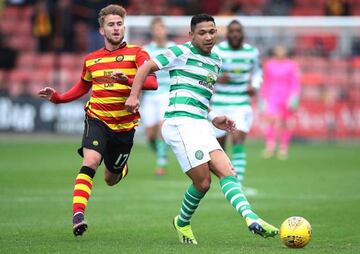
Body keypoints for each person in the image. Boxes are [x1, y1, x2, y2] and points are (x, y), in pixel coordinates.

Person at [125, 13, 278, 245]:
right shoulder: (181, 52)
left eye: (212, 32)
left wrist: (214, 117)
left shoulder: (216, 60)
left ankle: (251, 218)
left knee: (228, 171)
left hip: (200, 124)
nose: (208, 37)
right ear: (191, 35)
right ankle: (182, 222)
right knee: (203, 183)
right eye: (202, 33)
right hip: (179, 124)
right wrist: (134, 95)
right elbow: (146, 66)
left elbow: (201, 99)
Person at [38, 4, 158, 236]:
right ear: (102, 30)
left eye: (119, 24)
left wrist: (127, 80)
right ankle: (78, 216)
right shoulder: (92, 59)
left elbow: (153, 83)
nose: (116, 28)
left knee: (111, 178)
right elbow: (83, 86)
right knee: (90, 161)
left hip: (124, 127)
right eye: (111, 25)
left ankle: (119, 169)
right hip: (98, 119)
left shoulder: (138, 53)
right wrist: (59, 98)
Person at [211, 20, 262, 186]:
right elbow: (207, 72)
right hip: (219, 103)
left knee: (238, 138)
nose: (234, 34)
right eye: (231, 31)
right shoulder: (218, 51)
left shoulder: (252, 52)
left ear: (242, 34)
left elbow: (257, 72)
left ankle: (237, 181)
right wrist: (217, 78)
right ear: (227, 34)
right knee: (220, 146)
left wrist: (254, 86)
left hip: (241, 103)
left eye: (238, 31)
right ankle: (227, 178)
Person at [142, 17, 175, 176]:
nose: (159, 31)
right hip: (150, 95)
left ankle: (161, 163)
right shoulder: (146, 50)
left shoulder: (174, 48)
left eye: (161, 27)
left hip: (167, 93)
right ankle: (161, 154)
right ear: (152, 31)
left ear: (165, 29)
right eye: (156, 28)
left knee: (163, 128)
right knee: (150, 135)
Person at [260, 45, 301, 159]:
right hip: (272, 95)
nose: (280, 51)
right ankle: (270, 146)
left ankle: (283, 147)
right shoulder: (269, 64)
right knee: (270, 120)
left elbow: (295, 81)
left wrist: (294, 96)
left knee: (286, 122)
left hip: (286, 95)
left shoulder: (291, 65)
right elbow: (265, 81)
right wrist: (263, 97)